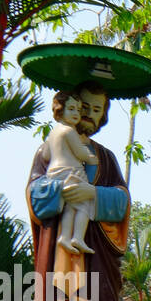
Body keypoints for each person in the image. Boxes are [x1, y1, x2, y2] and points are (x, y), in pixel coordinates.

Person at [25, 80, 133, 301]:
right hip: (59, 256)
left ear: (102, 116)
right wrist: (58, 193)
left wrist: (94, 195)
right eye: (83, 105)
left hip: (97, 260)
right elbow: (34, 197)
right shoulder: (48, 150)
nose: (88, 114)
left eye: (96, 109)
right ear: (72, 107)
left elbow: (123, 201)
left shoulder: (106, 158)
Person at [42, 91, 98, 254]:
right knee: (84, 205)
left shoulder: (53, 133)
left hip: (54, 173)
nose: (76, 113)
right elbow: (80, 153)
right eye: (72, 109)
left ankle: (65, 237)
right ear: (60, 110)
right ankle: (78, 237)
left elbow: (46, 155)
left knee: (70, 206)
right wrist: (90, 157)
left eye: (78, 110)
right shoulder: (69, 131)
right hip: (70, 171)